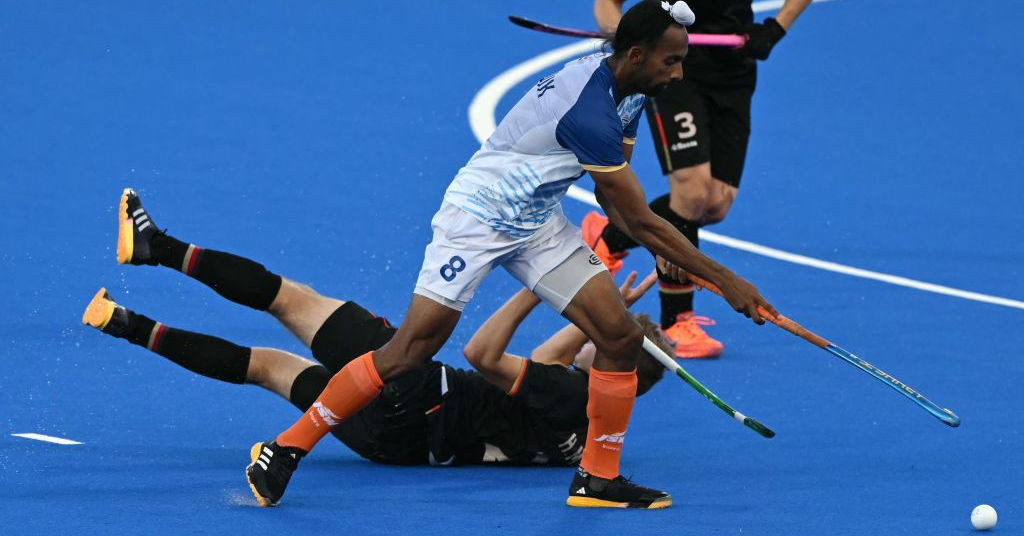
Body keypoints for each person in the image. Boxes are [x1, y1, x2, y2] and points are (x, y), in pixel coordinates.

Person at [243, 0, 778, 510]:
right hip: (477, 218)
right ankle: (286, 448)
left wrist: (665, 247)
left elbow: (619, 201)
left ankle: (599, 478)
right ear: (636, 55)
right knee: (409, 351)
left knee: (619, 337)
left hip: (537, 220)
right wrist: (725, 280)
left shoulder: (634, 90)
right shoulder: (588, 109)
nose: (680, 74)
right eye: (673, 61)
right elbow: (637, 218)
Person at [86, 188, 674, 468]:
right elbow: (552, 361)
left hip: (412, 388)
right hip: (392, 445)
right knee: (265, 366)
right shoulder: (585, 415)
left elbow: (485, 353)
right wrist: (600, 311)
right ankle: (124, 323)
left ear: (611, 361)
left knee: (290, 300)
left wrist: (539, 281)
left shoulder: (571, 393)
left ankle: (155, 247)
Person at [586, 0, 826, 359]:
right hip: (673, 69)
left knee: (714, 204)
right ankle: (676, 321)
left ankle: (609, 237)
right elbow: (608, 0)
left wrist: (777, 27)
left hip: (734, 67)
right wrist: (624, 38)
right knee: (692, 193)